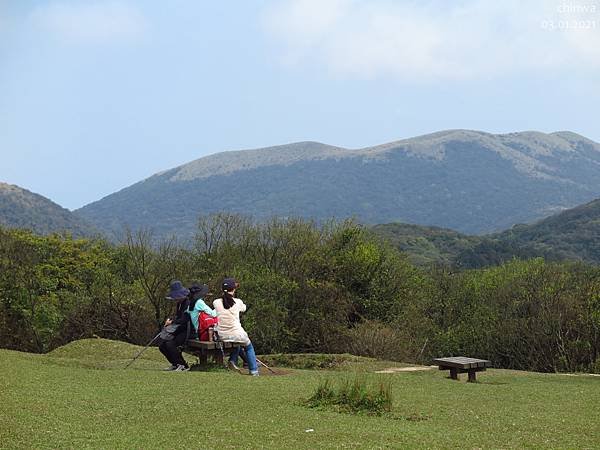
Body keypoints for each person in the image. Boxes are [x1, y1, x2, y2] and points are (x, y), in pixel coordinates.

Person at [213, 278, 259, 376]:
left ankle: (233, 360)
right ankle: (254, 370)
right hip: (236, 333)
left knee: (237, 343)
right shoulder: (238, 302)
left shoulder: (216, 302)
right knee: (248, 347)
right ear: (233, 290)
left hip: (222, 335)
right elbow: (244, 308)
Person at [158, 280, 191, 372]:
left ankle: (183, 365)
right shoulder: (179, 304)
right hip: (178, 329)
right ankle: (175, 363)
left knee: (170, 344)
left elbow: (185, 320)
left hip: (187, 330)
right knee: (162, 344)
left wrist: (172, 322)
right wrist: (171, 321)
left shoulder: (188, 303)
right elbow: (177, 317)